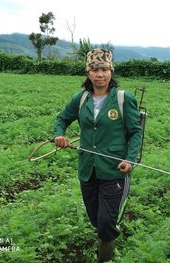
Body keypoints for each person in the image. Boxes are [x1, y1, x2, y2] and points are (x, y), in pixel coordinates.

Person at [53, 48, 142, 262]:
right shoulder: (81, 98)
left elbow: (135, 132)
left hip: (113, 170)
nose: (100, 74)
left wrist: (129, 160)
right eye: (95, 69)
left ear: (111, 71)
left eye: (104, 69)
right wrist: (59, 135)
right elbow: (62, 119)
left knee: (105, 223)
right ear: (88, 73)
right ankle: (107, 233)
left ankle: (105, 256)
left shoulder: (123, 99)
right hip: (87, 169)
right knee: (95, 217)